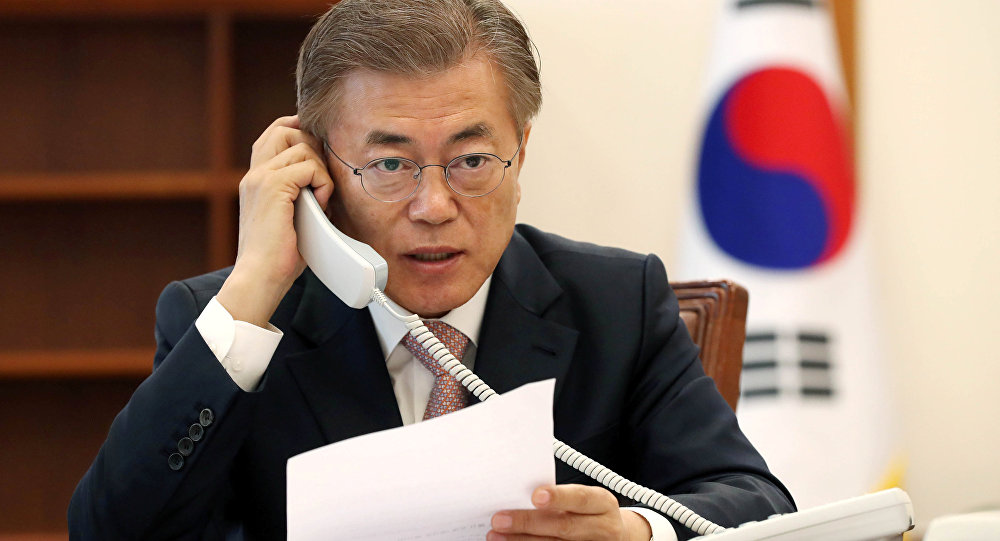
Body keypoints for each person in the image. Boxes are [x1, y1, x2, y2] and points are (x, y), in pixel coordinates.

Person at [69, 1, 794, 539]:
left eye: (472, 160)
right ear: (318, 167)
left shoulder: (615, 302)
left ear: (521, 151)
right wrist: (255, 285)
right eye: (390, 165)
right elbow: (110, 531)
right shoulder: (240, 323)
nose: (435, 206)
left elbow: (757, 501)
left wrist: (637, 531)